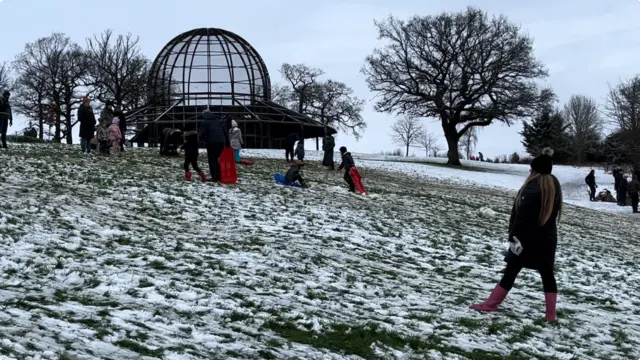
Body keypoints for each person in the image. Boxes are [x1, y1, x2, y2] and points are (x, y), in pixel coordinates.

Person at [470, 148, 562, 322]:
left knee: (511, 270)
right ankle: (551, 314)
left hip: (525, 239)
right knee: (547, 274)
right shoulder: (553, 185)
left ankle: (491, 304)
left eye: (531, 168)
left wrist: (513, 237)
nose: (529, 171)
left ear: (535, 170)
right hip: (547, 239)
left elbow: (521, 218)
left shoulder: (532, 188)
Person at [198, 108, 229, 182]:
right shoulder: (219, 121)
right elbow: (226, 132)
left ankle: (215, 177)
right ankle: (220, 175)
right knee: (218, 160)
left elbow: (201, 134)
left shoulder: (205, 122)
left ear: (204, 115)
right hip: (221, 142)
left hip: (212, 143)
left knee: (212, 160)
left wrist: (201, 140)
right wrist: (227, 144)